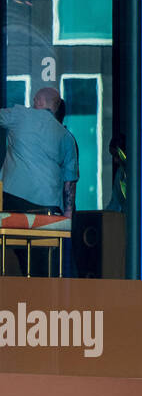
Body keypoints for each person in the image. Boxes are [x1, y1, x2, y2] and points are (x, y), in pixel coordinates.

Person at [0, 87, 79, 276]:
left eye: (33, 100)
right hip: (48, 208)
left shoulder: (20, 115)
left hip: (12, 202)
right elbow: (69, 184)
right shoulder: (67, 137)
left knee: (19, 251)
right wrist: (66, 221)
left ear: (39, 102)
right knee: (43, 262)